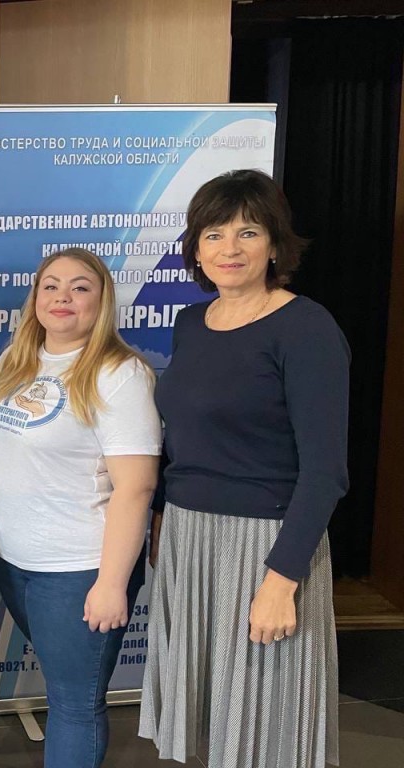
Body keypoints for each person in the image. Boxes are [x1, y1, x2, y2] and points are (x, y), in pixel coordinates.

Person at [139, 169, 349, 768]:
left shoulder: (306, 328)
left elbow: (325, 471)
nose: (228, 248)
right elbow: (182, 438)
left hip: (267, 545)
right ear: (196, 249)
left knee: (266, 728)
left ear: (276, 245)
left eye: (248, 232)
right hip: (188, 538)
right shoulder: (191, 323)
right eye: (213, 234)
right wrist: (161, 522)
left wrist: (282, 581)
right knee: (214, 720)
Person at [0, 247, 161, 768]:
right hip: (16, 564)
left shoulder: (119, 373)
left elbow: (137, 487)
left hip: (78, 570)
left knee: (74, 705)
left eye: (80, 288)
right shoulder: (17, 362)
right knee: (65, 692)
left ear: (101, 302)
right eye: (51, 286)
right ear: (35, 297)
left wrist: (111, 582)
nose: (63, 297)